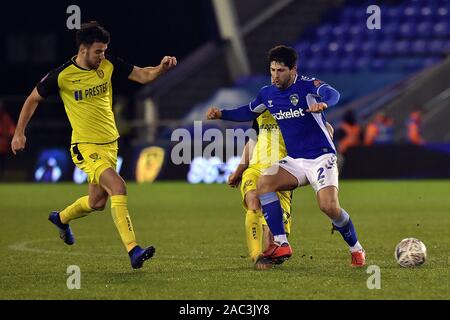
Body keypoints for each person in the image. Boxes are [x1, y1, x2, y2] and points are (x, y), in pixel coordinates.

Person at [10, 22, 177, 269]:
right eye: (98, 51)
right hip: (85, 147)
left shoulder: (108, 65)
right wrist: (19, 133)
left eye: (104, 51)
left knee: (97, 202)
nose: (102, 56)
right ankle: (133, 250)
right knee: (118, 187)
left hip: (110, 144)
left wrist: (162, 68)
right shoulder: (62, 75)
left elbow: (143, 74)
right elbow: (32, 99)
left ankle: (61, 218)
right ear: (84, 49)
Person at [207, 45, 365, 267]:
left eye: (280, 70)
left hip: (321, 157)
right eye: (272, 70)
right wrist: (221, 114)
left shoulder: (307, 86)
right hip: (296, 160)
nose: (275, 76)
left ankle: (356, 249)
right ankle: (281, 242)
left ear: (293, 70)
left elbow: (333, 93)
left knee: (328, 207)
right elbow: (248, 111)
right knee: (264, 183)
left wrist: (323, 103)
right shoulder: (267, 93)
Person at [0, 100, 16, 178]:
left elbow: (12, 130)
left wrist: (9, 136)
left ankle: (2, 177)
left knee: (2, 164)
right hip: (3, 145)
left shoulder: (6, 118)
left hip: (3, 147)